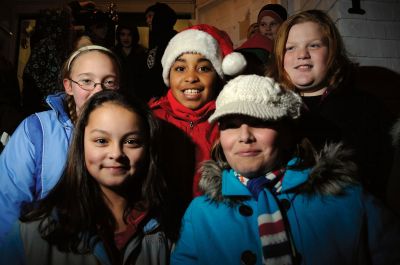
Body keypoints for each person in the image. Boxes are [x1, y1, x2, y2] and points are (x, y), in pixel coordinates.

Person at [171, 74, 400, 265]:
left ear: (288, 134)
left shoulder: (350, 199)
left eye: (260, 122)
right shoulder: (200, 213)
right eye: (230, 125)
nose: (244, 136)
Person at [0, 90, 171, 264]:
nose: (116, 153)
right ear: (81, 144)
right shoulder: (31, 233)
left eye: (131, 141)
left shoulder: (166, 231)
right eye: (101, 140)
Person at [0, 45, 121, 243]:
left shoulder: (131, 131)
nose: (99, 91)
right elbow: (7, 204)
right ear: (68, 86)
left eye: (109, 81)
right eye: (86, 81)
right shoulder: (36, 130)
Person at [270, 9, 393, 200]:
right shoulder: (268, 108)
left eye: (314, 45)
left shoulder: (366, 106)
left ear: (332, 52)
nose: (302, 54)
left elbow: (378, 176)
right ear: (280, 57)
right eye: (290, 48)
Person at [149, 24, 246, 239]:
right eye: (181, 68)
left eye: (203, 68)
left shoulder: (229, 121)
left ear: (218, 75)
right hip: (160, 228)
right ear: (168, 75)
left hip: (216, 226)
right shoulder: (151, 119)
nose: (191, 77)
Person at [141, 2, 178, 101]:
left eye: (150, 16)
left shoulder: (174, 39)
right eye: (146, 18)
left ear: (161, 16)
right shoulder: (155, 40)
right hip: (153, 98)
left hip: (167, 97)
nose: (148, 20)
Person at [113, 24, 147, 96]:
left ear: (134, 36)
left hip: (138, 94)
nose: (126, 38)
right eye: (123, 34)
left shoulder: (142, 53)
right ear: (118, 36)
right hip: (118, 94)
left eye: (129, 35)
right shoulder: (113, 53)